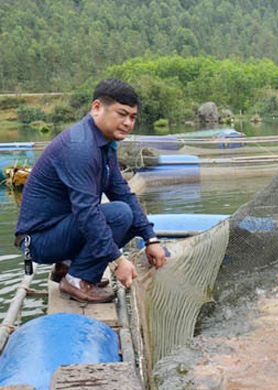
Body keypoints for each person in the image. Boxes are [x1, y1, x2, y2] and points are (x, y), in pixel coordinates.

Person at [14, 79, 166, 303]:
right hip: (39, 240)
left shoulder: (104, 144)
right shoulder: (80, 147)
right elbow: (86, 213)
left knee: (129, 213)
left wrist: (150, 238)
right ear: (97, 108)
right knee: (120, 214)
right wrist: (118, 261)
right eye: (121, 114)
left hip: (60, 228)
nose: (127, 123)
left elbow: (122, 192)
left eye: (132, 117)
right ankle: (77, 279)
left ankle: (68, 267)